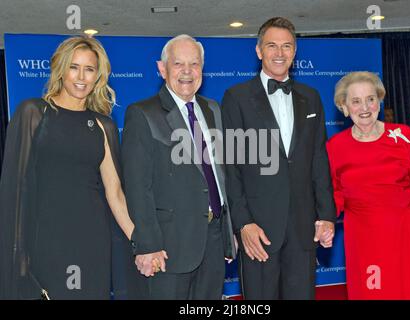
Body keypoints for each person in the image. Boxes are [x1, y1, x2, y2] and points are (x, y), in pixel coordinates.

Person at [0, 36, 135, 299]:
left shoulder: (102, 125)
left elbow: (115, 193)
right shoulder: (33, 113)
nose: (81, 76)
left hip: (93, 239)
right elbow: (16, 187)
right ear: (61, 70)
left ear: (98, 76)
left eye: (90, 69)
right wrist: (18, 255)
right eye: (74, 67)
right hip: (46, 240)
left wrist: (142, 243)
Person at [221, 17, 336, 300]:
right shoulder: (236, 97)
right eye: (272, 46)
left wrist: (325, 215)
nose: (280, 53)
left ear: (295, 52)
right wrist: (243, 223)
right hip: (259, 229)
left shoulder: (311, 97)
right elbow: (231, 166)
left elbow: (319, 159)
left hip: (303, 227)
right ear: (259, 51)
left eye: (287, 46)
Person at [121, 34, 236, 300]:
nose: (187, 71)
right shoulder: (142, 114)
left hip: (214, 240)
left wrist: (229, 234)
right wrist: (147, 245)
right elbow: (138, 187)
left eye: (194, 64)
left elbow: (219, 176)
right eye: (178, 64)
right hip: (169, 247)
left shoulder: (212, 109)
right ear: (162, 68)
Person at [327, 71, 410, 299]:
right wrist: (324, 220)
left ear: (379, 101)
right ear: (344, 107)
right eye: (355, 101)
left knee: (408, 291)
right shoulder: (335, 147)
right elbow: (336, 193)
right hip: (364, 237)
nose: (364, 107)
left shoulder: (405, 137)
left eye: (370, 99)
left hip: (406, 232)